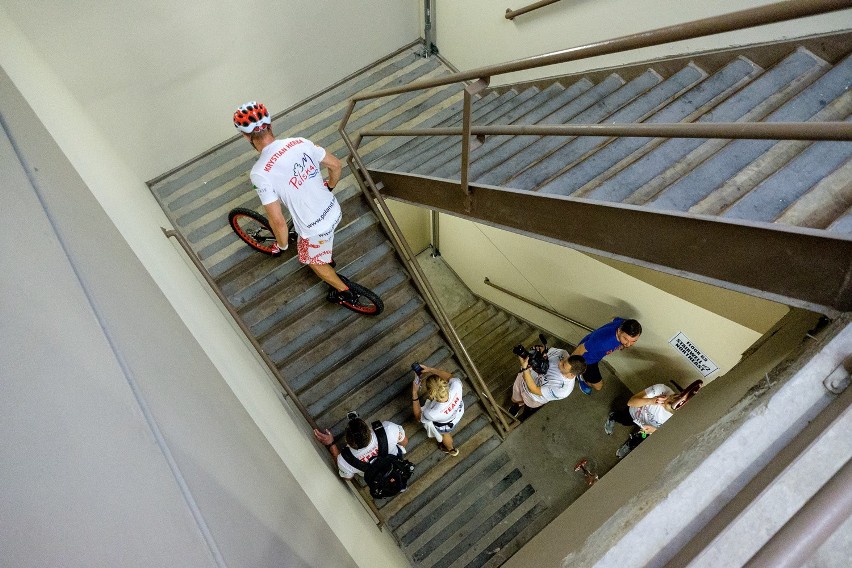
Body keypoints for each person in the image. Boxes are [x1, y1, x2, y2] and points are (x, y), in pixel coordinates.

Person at [233, 101, 357, 306]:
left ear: (246, 136)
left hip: (315, 229)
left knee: (310, 260)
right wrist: (330, 187)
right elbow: (336, 165)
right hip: (334, 209)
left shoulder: (260, 173)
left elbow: (278, 222)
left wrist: (281, 246)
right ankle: (325, 254)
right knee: (320, 236)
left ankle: (344, 291)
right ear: (270, 125)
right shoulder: (300, 142)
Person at [605, 380, 702, 458]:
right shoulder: (661, 389)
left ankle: (630, 444)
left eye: (668, 405)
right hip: (634, 414)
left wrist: (654, 430)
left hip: (647, 430)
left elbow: (669, 436)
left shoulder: (679, 420)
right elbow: (631, 402)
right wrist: (651, 400)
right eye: (673, 398)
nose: (668, 401)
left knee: (640, 438)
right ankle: (613, 416)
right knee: (624, 420)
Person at [313, 415, 408, 479]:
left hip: (376, 478)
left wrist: (331, 444)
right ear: (370, 430)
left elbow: (347, 478)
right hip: (396, 467)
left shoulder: (344, 461)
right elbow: (404, 442)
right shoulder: (389, 430)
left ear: (346, 440)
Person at [508, 347, 587, 418]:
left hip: (533, 396)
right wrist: (542, 350)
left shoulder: (562, 390)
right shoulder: (563, 353)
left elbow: (534, 389)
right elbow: (547, 351)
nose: (560, 362)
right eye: (564, 360)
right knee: (515, 398)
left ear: (572, 375)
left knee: (528, 406)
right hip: (523, 378)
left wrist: (525, 369)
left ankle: (522, 410)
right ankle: (517, 405)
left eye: (563, 365)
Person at [572, 318, 642, 394]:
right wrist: (569, 368)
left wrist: (622, 344)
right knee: (598, 387)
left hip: (595, 356)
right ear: (619, 331)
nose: (628, 344)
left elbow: (614, 319)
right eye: (625, 339)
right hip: (587, 360)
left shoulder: (623, 323)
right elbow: (580, 349)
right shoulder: (602, 342)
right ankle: (581, 377)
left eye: (633, 341)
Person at [412, 366, 464, 457]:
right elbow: (450, 377)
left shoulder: (431, 413)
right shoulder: (456, 385)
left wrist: (414, 393)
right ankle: (450, 449)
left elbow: (418, 417)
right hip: (458, 412)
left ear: (431, 394)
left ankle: (450, 448)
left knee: (445, 435)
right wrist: (431, 369)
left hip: (446, 424)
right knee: (445, 434)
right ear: (444, 383)